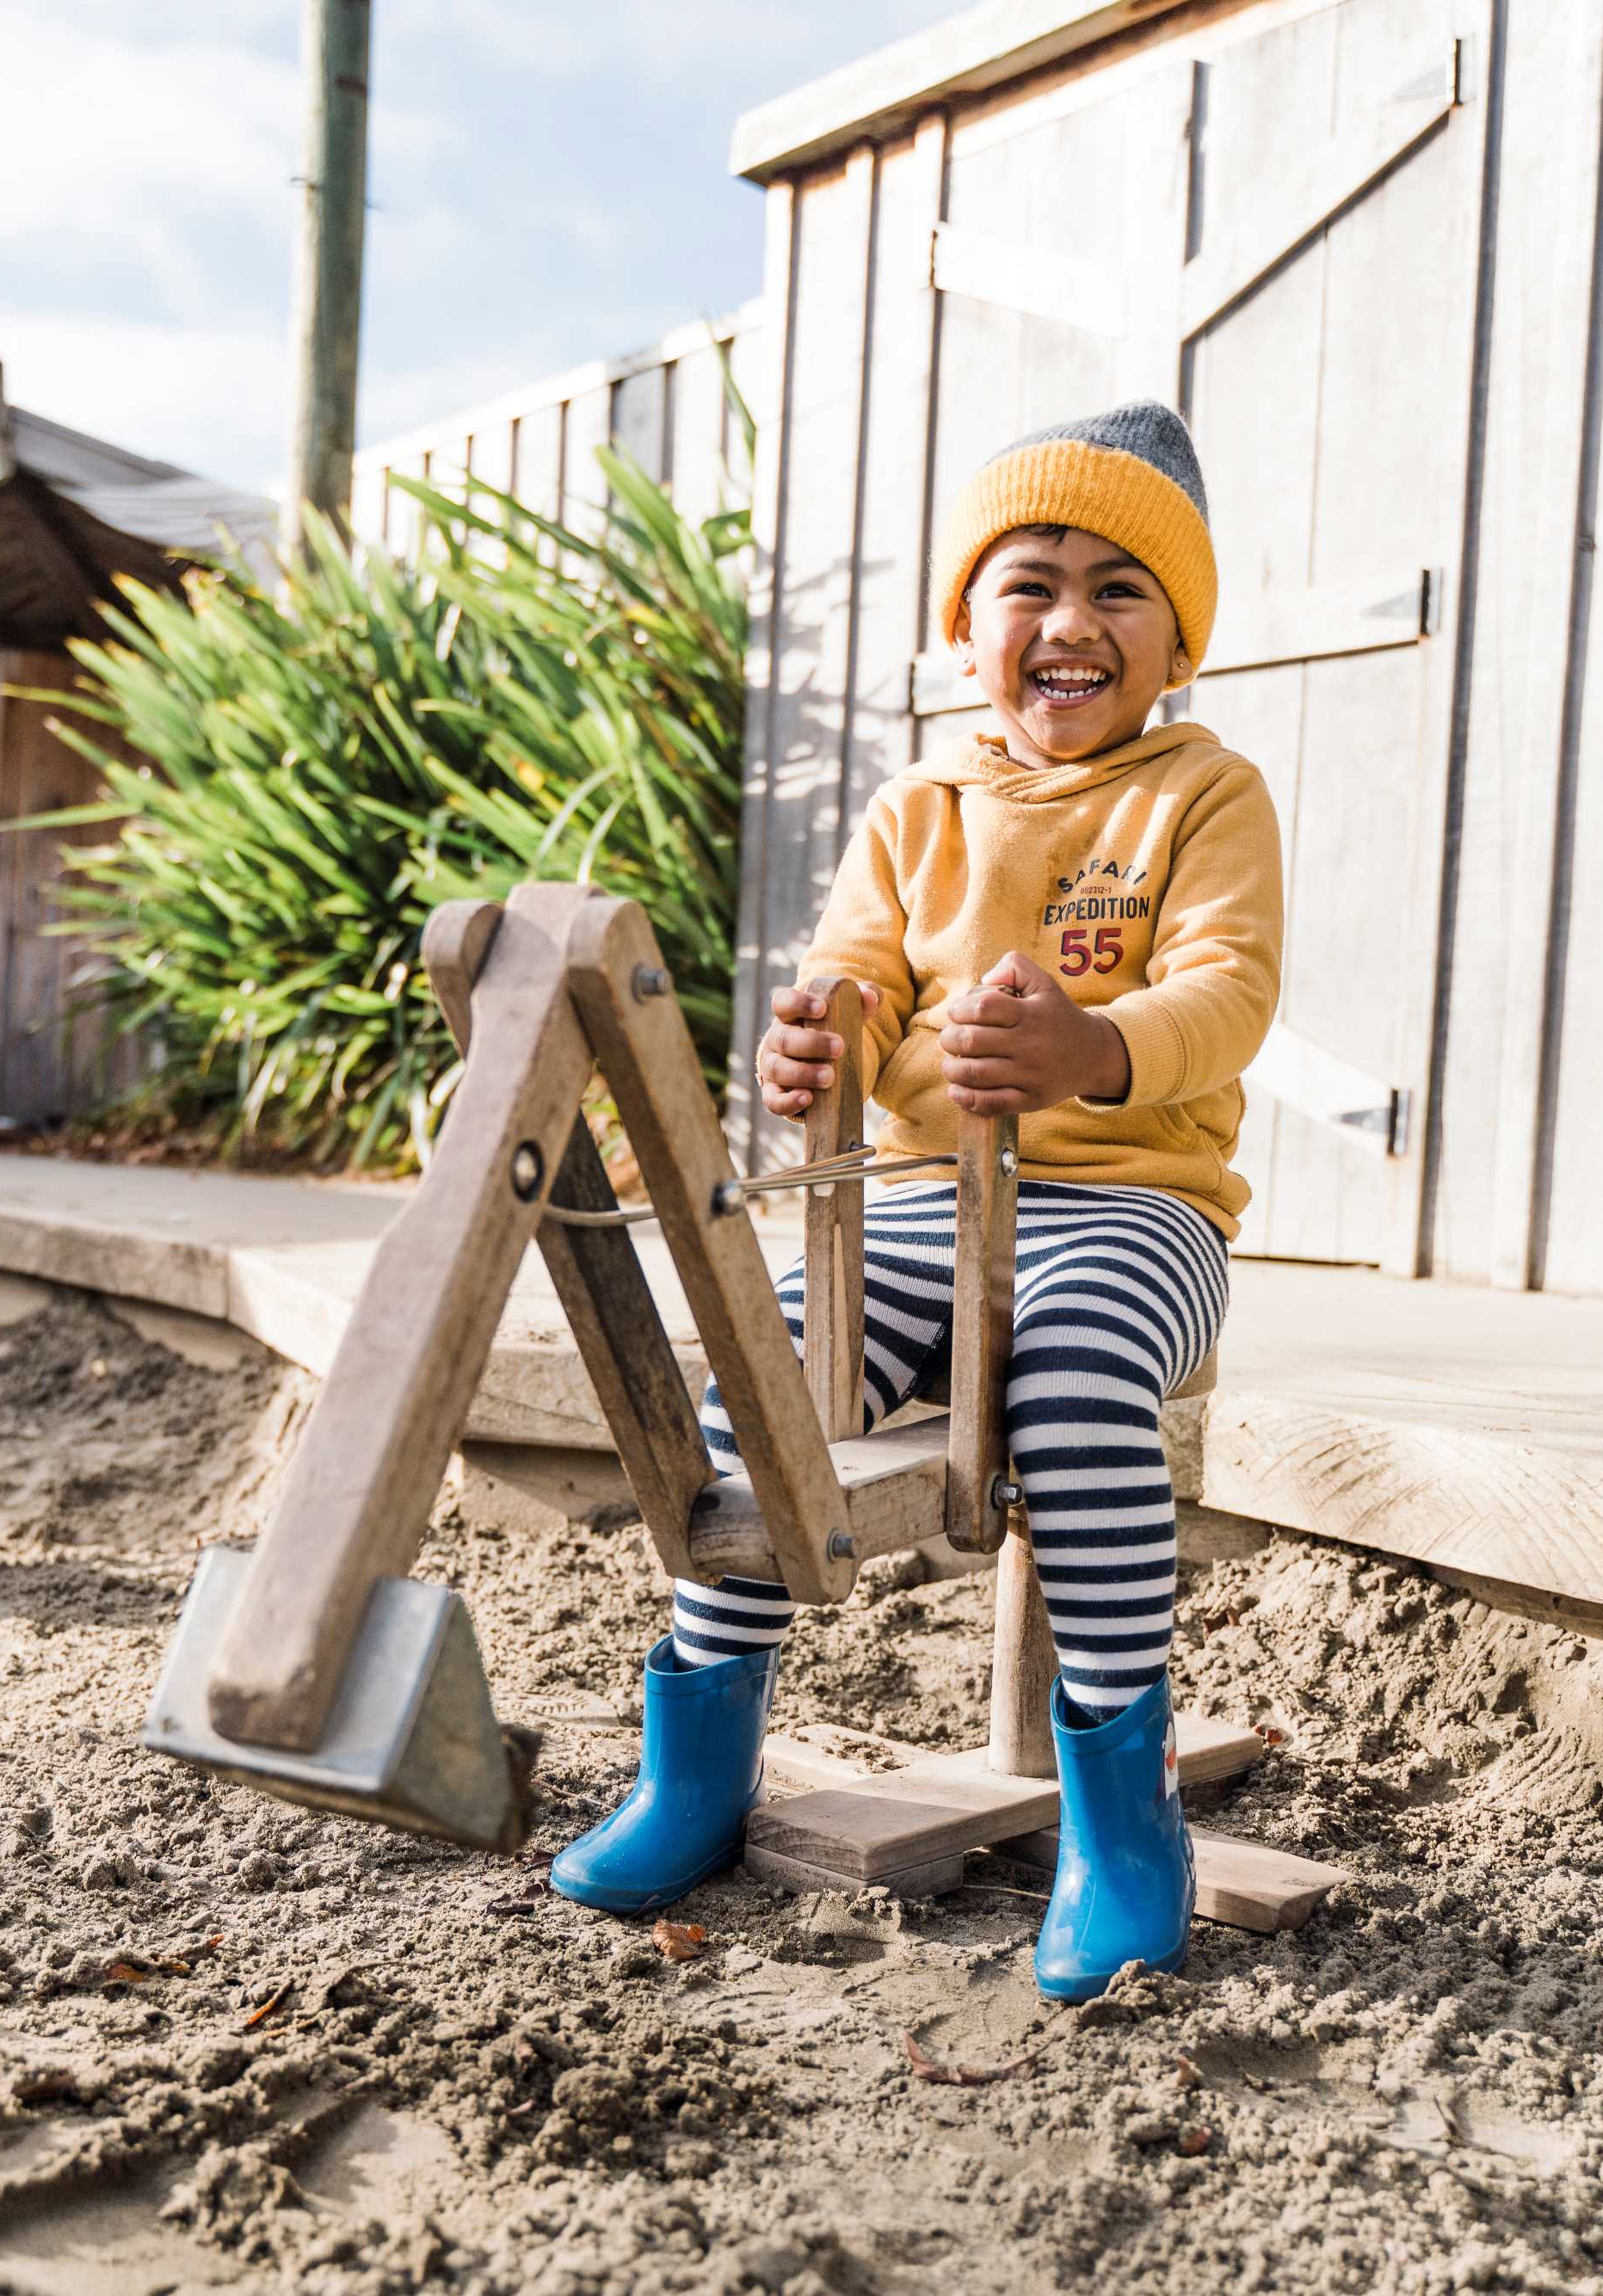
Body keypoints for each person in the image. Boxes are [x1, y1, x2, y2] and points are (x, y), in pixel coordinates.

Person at [546, 402, 1285, 2001]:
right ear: (970, 629)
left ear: (1178, 644)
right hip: (914, 1218)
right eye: (1031, 583)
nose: (1072, 622)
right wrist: (821, 1036)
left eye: (1120, 589)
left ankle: (1119, 1811)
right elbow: (854, 984)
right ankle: (698, 1760)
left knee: (1077, 1386)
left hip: (1132, 1215)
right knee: (765, 1391)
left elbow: (1227, 996)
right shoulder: (916, 811)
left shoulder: (1204, 796)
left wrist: (1094, 1044)